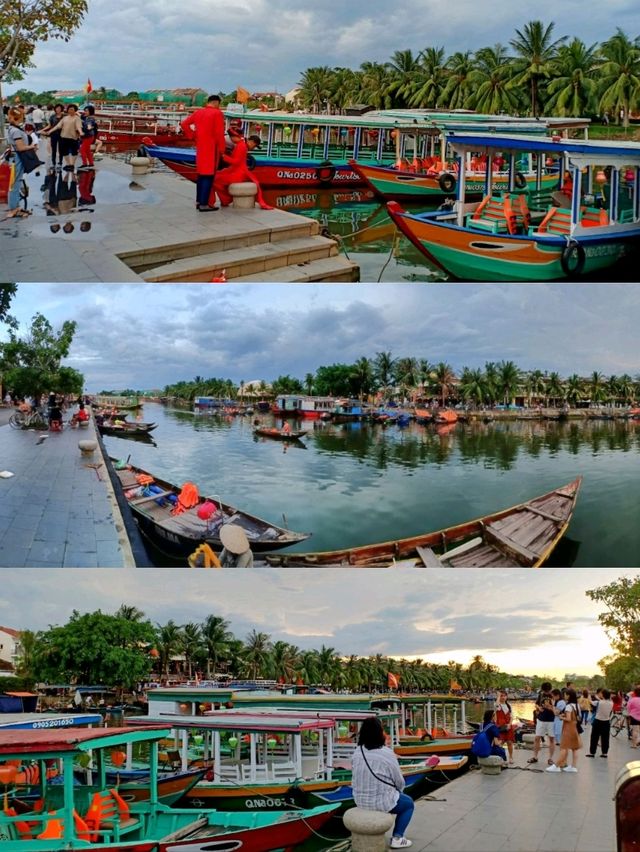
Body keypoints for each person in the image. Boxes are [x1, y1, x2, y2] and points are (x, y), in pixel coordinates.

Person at [351, 716, 414, 849]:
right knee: (408, 804)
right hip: (380, 801)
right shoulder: (387, 753)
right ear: (379, 733)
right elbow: (399, 781)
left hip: (359, 800)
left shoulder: (358, 751)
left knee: (396, 798)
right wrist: (398, 793)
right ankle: (398, 837)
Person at [180, 93, 227, 212]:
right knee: (208, 176)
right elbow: (219, 134)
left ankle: (199, 201)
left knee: (201, 175)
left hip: (200, 147)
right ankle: (204, 204)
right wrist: (222, 150)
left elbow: (184, 124)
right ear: (216, 103)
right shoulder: (217, 113)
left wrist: (193, 136)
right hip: (212, 148)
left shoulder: (198, 112)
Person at [213, 128, 272, 209]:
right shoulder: (242, 146)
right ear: (251, 142)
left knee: (215, 179)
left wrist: (224, 156)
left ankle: (226, 199)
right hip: (238, 172)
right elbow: (237, 162)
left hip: (237, 173)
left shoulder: (241, 146)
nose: (253, 148)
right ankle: (226, 199)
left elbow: (236, 162)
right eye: (254, 146)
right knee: (216, 178)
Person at [3, 107, 38, 220]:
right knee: (14, 184)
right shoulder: (16, 130)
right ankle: (13, 208)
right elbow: (21, 147)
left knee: (16, 183)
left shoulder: (13, 128)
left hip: (15, 158)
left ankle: (15, 207)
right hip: (17, 158)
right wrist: (32, 146)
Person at [547, 688, 581, 772]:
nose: (564, 696)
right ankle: (573, 766)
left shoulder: (569, 706)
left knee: (563, 747)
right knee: (574, 748)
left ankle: (557, 766)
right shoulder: (577, 705)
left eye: (566, 694)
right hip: (575, 727)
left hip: (568, 728)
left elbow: (568, 718)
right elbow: (579, 717)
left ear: (569, 696)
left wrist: (562, 717)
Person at [42, 103, 83, 172]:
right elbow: (57, 126)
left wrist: (81, 132)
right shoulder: (64, 118)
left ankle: (71, 165)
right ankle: (67, 164)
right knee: (64, 151)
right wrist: (50, 131)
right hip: (63, 137)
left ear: (75, 110)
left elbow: (78, 127)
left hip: (73, 137)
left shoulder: (77, 118)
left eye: (72, 109)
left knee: (73, 152)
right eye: (69, 109)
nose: (70, 111)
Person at [527, 681, 556, 766]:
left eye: (547, 691)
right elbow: (536, 704)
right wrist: (539, 708)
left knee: (551, 739)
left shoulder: (553, 696)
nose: (546, 692)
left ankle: (550, 758)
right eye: (545, 691)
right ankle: (535, 757)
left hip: (551, 720)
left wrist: (549, 707)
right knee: (537, 738)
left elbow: (556, 710)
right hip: (541, 719)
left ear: (550, 689)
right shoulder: (541, 695)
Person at [586, 687, 613, 758]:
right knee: (605, 738)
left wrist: (588, 694)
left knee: (594, 737)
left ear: (603, 695)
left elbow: (590, 701)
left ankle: (592, 753)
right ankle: (604, 753)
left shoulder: (599, 702)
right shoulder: (611, 703)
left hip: (597, 721)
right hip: (606, 722)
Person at [494, 691, 515, 764]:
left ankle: (511, 757)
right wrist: (498, 696)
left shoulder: (509, 706)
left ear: (506, 697)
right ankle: (501, 757)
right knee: (500, 742)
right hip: (500, 726)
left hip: (508, 726)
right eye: (501, 696)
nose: (503, 697)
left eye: (504, 696)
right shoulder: (498, 705)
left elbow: (512, 716)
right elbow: (496, 705)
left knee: (509, 742)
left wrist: (509, 724)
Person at [79, 105, 98, 171]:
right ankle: (91, 163)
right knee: (87, 151)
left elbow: (89, 126)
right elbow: (80, 116)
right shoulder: (87, 117)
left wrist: (88, 127)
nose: (85, 112)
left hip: (88, 136)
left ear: (90, 111)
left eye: (86, 111)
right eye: (85, 110)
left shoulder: (91, 119)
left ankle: (85, 164)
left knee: (82, 150)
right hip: (87, 136)